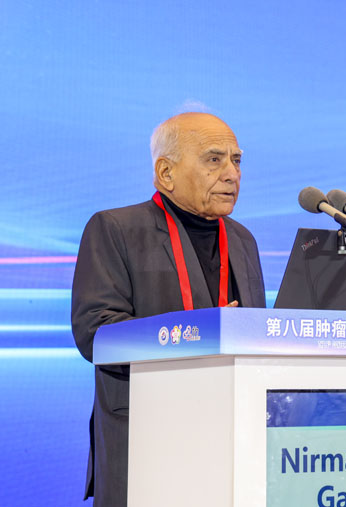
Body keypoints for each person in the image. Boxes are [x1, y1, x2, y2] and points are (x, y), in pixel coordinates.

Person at [71, 112, 266, 506]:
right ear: (166, 172)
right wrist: (199, 333)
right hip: (147, 436)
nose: (232, 174)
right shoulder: (116, 229)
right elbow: (96, 332)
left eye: (236, 160)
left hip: (229, 435)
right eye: (214, 159)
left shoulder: (243, 240)